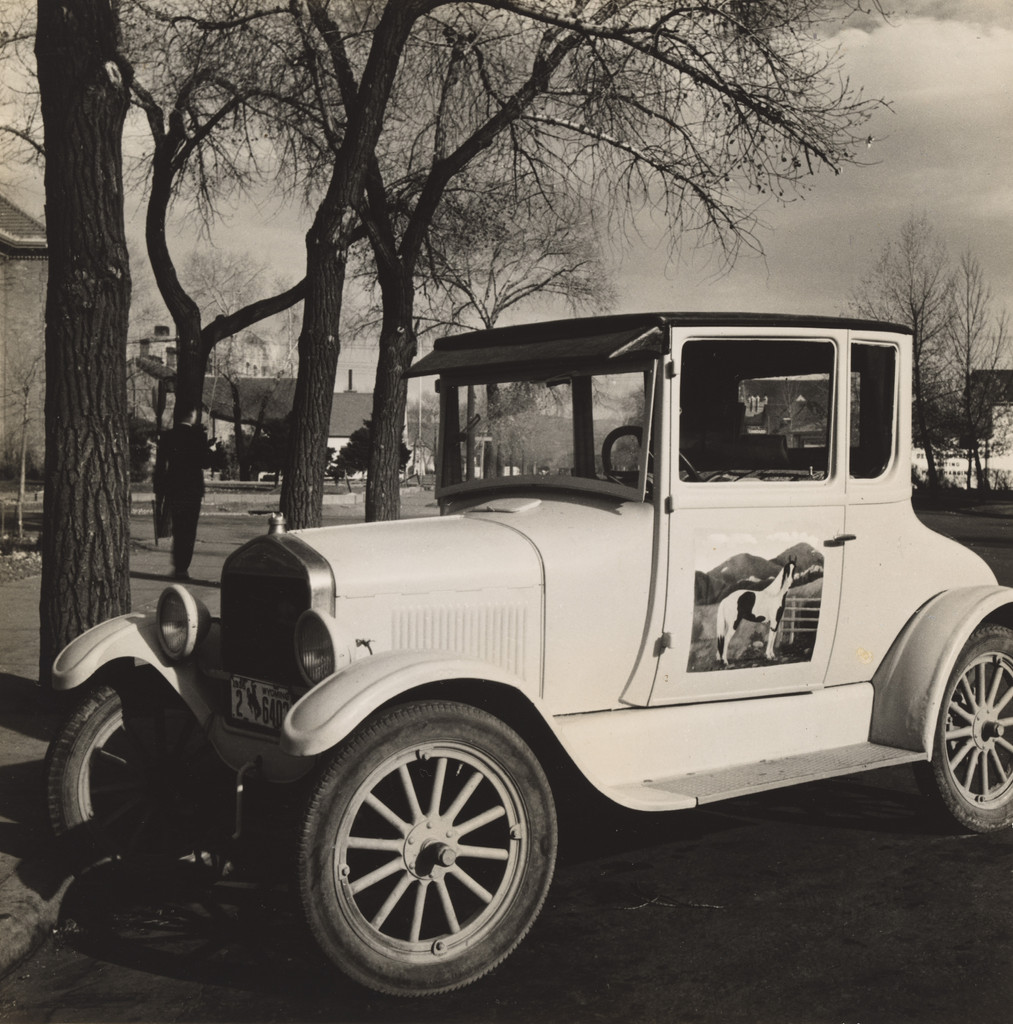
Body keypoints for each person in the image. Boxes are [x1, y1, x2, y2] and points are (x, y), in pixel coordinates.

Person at [154, 405, 212, 580]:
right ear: (193, 415)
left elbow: (160, 465)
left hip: (175, 486)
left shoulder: (168, 436)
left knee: (178, 527)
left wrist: (159, 488)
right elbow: (205, 462)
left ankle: (177, 564)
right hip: (192, 488)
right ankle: (183, 566)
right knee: (189, 528)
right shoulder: (198, 436)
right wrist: (211, 449)